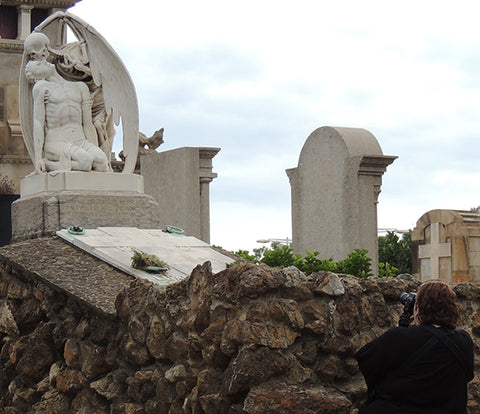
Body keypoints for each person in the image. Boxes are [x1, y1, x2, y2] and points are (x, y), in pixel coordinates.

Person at [356, 280, 474, 413]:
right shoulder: (464, 341)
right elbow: (468, 375)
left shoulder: (399, 337)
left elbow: (366, 359)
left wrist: (405, 327)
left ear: (417, 309)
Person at [25, 58, 109, 173]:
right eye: (38, 65)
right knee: (85, 161)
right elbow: (38, 122)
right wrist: (38, 158)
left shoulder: (80, 87)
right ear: (38, 77)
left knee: (102, 163)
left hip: (80, 141)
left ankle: (78, 163)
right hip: (57, 141)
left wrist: (94, 148)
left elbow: (87, 124)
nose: (44, 62)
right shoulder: (42, 87)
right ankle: (48, 164)